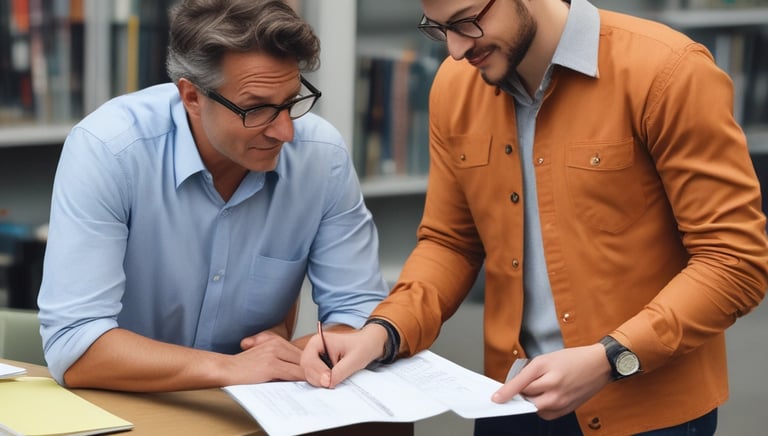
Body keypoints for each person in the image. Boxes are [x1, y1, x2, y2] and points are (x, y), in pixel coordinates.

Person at [301, 0, 768, 434]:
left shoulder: (669, 70)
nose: (457, 49)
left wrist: (611, 357)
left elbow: (734, 261)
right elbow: (450, 242)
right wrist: (382, 331)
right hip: (510, 398)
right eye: (439, 29)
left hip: (648, 407)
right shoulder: (453, 86)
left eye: (466, 21)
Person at [37, 0, 389, 392]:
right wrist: (231, 368)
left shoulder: (321, 158)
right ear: (191, 97)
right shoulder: (110, 150)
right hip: (130, 406)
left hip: (260, 411)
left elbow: (361, 313)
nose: (285, 132)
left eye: (291, 102)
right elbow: (75, 345)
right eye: (257, 110)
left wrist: (302, 353)